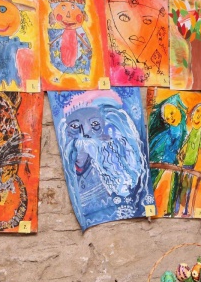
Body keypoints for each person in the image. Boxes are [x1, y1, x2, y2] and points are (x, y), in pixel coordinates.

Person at [60, 90, 146, 225]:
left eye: (94, 123)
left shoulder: (121, 150)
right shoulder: (80, 154)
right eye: (75, 126)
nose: (86, 132)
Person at [47, 0, 93, 76]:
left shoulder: (83, 36)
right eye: (63, 8)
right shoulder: (53, 34)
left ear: (82, 14)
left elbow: (87, 55)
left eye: (73, 7)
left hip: (80, 73)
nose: (68, 15)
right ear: (53, 14)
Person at [176, 102, 201, 216]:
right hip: (184, 162)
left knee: (188, 187)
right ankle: (176, 209)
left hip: (191, 163)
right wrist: (181, 151)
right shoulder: (191, 131)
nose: (199, 116)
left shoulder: (199, 132)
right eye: (198, 111)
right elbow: (186, 142)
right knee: (181, 186)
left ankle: (186, 210)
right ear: (192, 115)